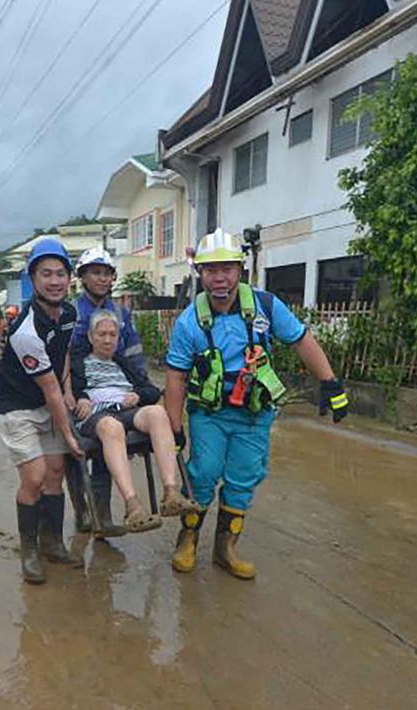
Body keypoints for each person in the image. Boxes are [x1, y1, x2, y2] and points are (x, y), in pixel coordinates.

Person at [164, 229, 350, 580]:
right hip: (210, 414)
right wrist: (173, 427)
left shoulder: (266, 306)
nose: (219, 277)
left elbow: (301, 339)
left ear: (240, 270)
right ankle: (187, 539)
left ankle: (225, 549)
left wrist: (330, 382)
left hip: (253, 413)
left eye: (227, 268)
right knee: (203, 473)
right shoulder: (189, 321)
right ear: (200, 274)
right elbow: (175, 377)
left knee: (243, 477)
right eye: (211, 269)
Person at [0, 237, 84, 585]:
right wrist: (70, 433)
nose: (55, 281)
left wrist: (70, 390)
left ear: (69, 277)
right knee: (34, 476)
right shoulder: (25, 330)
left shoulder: (70, 314)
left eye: (60, 273)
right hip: (15, 405)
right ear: (33, 279)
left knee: (56, 471)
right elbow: (49, 389)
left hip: (49, 401)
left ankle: (53, 543)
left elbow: (61, 362)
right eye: (46, 274)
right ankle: (28, 551)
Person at [71, 309, 196, 532]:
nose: (107, 339)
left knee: (158, 413)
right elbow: (67, 390)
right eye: (102, 334)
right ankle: (132, 504)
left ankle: (171, 492)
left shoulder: (124, 363)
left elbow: (151, 390)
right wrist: (81, 398)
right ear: (91, 337)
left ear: (119, 338)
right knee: (112, 426)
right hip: (97, 414)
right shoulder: (77, 363)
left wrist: (138, 395)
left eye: (112, 334)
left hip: (128, 409)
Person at [64, 247, 145, 538]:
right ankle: (82, 513)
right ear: (83, 277)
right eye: (94, 273)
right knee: (73, 451)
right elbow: (62, 358)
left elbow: (134, 356)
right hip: (75, 393)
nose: (100, 278)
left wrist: (140, 391)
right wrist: (72, 394)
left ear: (113, 278)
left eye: (105, 273)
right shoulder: (70, 312)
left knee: (103, 451)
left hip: (110, 391)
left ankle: (103, 516)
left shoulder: (121, 314)